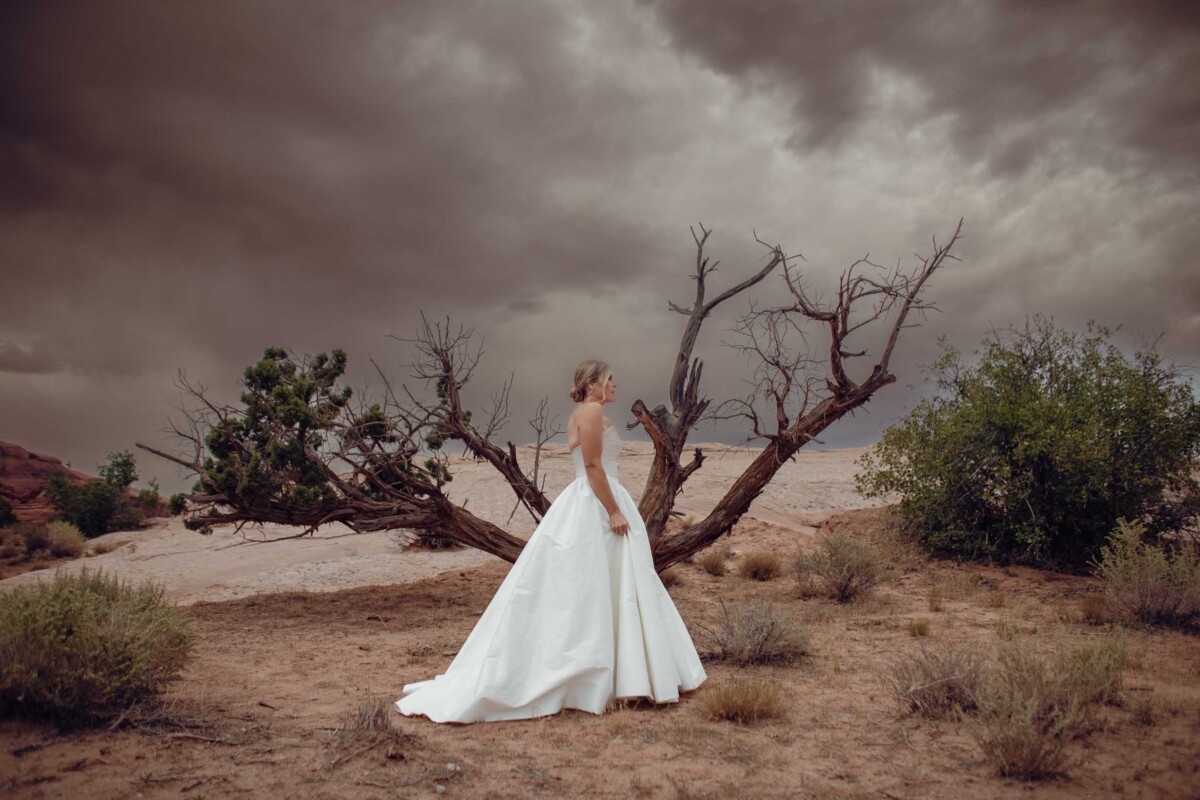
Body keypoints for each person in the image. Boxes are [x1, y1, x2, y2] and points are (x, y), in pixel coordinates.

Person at [394, 359, 707, 723]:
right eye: (609, 380)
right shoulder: (589, 412)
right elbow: (592, 467)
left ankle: (626, 673)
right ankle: (598, 675)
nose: (616, 386)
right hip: (595, 503)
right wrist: (613, 511)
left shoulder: (592, 413)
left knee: (616, 585)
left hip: (602, 498)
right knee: (595, 587)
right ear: (591, 385)